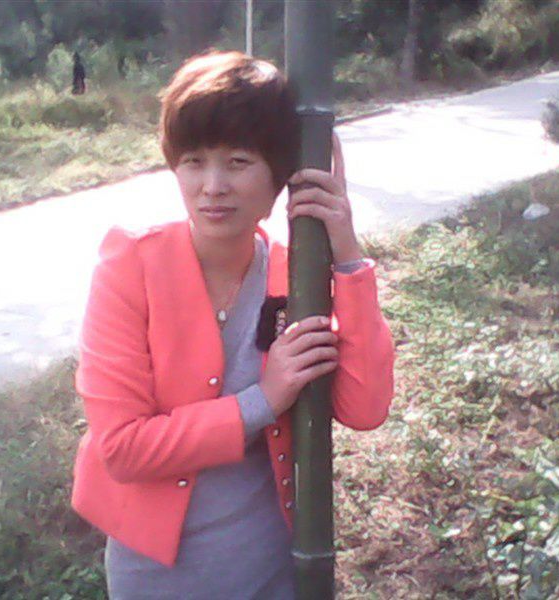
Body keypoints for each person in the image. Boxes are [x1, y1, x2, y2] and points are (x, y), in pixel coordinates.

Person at [70, 50, 395, 599]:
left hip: (271, 569)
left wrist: (346, 254)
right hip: (156, 576)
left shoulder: (295, 277)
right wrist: (262, 400)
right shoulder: (130, 267)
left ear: (278, 175)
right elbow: (122, 447)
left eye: (239, 161)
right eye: (194, 161)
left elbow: (365, 410)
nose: (213, 185)